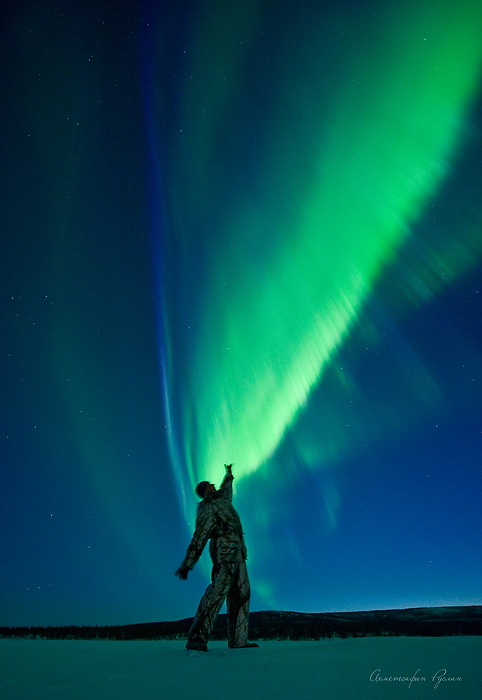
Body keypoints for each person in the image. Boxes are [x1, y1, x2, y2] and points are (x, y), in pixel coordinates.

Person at [175, 463, 258, 652]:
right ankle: (197, 636)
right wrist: (188, 562)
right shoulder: (207, 507)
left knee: (242, 595)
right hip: (224, 553)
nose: (214, 485)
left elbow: (227, 491)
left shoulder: (222, 501)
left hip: (238, 554)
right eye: (210, 485)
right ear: (205, 491)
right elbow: (200, 536)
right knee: (217, 592)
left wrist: (229, 475)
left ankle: (238, 639)